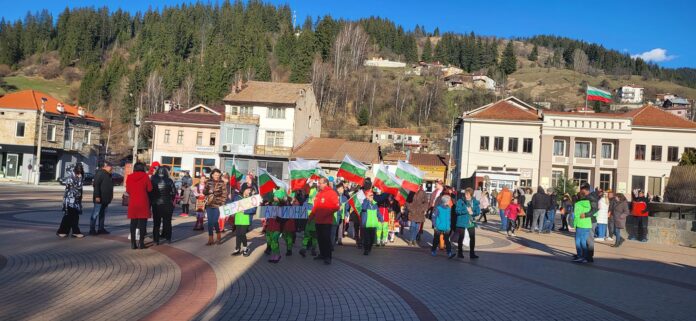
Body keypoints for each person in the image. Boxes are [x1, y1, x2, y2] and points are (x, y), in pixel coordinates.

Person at [310, 177, 340, 265]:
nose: (318, 184)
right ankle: (322, 254)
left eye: (320, 183)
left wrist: (326, 213)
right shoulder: (319, 193)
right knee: (320, 239)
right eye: (319, 183)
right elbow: (315, 207)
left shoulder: (332, 193)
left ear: (325, 183)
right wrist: (311, 217)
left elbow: (336, 206)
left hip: (326, 221)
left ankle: (328, 257)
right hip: (318, 221)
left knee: (326, 239)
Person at [126, 163, 153, 249]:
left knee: (133, 223)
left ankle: (133, 243)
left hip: (133, 202)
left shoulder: (129, 177)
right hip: (143, 202)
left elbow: (128, 190)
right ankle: (141, 243)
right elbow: (150, 189)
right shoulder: (145, 176)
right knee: (142, 224)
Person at [57, 164, 85, 238]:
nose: (79, 174)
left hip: (76, 201)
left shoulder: (79, 177)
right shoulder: (71, 178)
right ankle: (74, 232)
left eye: (80, 172)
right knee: (71, 216)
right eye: (78, 172)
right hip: (70, 200)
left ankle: (63, 231)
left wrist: (80, 178)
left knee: (71, 216)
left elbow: (79, 189)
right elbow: (75, 188)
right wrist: (79, 179)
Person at [150, 167, 176, 245]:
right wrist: (170, 198)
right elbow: (174, 192)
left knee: (156, 223)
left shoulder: (153, 180)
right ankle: (168, 239)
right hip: (167, 203)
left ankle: (156, 240)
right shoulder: (169, 180)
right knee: (167, 222)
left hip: (157, 204)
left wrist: (153, 200)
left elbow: (150, 192)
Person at [454, 188, 479, 259]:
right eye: (465, 194)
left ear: (471, 194)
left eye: (467, 194)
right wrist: (466, 210)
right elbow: (457, 211)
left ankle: (472, 253)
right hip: (462, 221)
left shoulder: (474, 201)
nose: (466, 195)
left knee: (472, 238)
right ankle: (460, 253)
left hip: (471, 222)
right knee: (461, 237)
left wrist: (473, 213)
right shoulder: (460, 201)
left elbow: (477, 211)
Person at [90, 161, 114, 235]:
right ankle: (92, 230)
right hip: (99, 198)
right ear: (105, 166)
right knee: (95, 214)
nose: (111, 167)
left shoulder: (108, 174)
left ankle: (101, 228)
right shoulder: (100, 173)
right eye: (110, 166)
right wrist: (97, 196)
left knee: (102, 214)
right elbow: (96, 185)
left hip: (105, 199)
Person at [204, 169, 226, 246]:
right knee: (210, 221)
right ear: (212, 175)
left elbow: (224, 194)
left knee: (214, 221)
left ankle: (218, 235)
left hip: (217, 204)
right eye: (215, 174)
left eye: (218, 175)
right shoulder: (208, 182)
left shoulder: (222, 183)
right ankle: (210, 239)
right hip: (209, 204)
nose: (217, 176)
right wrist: (208, 191)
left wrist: (222, 203)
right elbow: (204, 191)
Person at [232, 188, 256, 256]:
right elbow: (233, 205)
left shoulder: (251, 199)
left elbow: (253, 210)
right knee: (238, 234)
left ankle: (245, 248)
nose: (249, 191)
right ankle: (237, 248)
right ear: (244, 190)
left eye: (250, 190)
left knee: (242, 234)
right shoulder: (237, 197)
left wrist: (244, 211)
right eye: (247, 189)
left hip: (246, 219)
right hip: (238, 218)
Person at [578, 183, 599, 262]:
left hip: (590, 221)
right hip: (586, 221)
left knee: (589, 240)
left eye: (581, 189)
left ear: (585, 189)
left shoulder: (591, 197)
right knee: (585, 239)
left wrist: (585, 215)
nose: (580, 191)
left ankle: (589, 257)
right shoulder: (586, 197)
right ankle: (584, 255)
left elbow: (594, 210)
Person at [573, 192, 593, 263]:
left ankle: (579, 256)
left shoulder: (577, 204)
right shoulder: (588, 203)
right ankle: (585, 257)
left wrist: (574, 225)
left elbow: (576, 215)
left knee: (578, 240)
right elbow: (594, 213)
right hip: (587, 224)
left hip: (580, 224)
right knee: (584, 241)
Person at [361, 190, 382, 255]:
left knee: (372, 239)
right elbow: (363, 208)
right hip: (366, 224)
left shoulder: (375, 204)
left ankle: (369, 248)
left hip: (373, 224)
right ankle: (366, 250)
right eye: (370, 195)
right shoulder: (364, 202)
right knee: (367, 238)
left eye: (372, 195)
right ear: (367, 196)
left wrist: (381, 218)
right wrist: (367, 200)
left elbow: (378, 212)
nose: (372, 197)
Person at [332, 183, 348, 248]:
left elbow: (347, 206)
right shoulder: (335, 196)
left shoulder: (344, 197)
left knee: (340, 228)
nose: (343, 190)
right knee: (334, 229)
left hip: (342, 215)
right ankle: (333, 241)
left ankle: (339, 239)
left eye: (343, 188)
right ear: (338, 189)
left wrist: (346, 214)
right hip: (335, 215)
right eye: (342, 188)